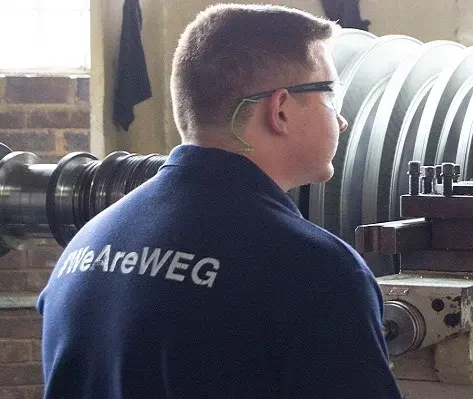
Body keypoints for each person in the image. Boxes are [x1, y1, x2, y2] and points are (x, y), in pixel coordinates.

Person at [36, 4, 403, 398]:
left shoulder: (84, 247)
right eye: (331, 96)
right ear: (279, 109)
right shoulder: (314, 271)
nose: (341, 120)